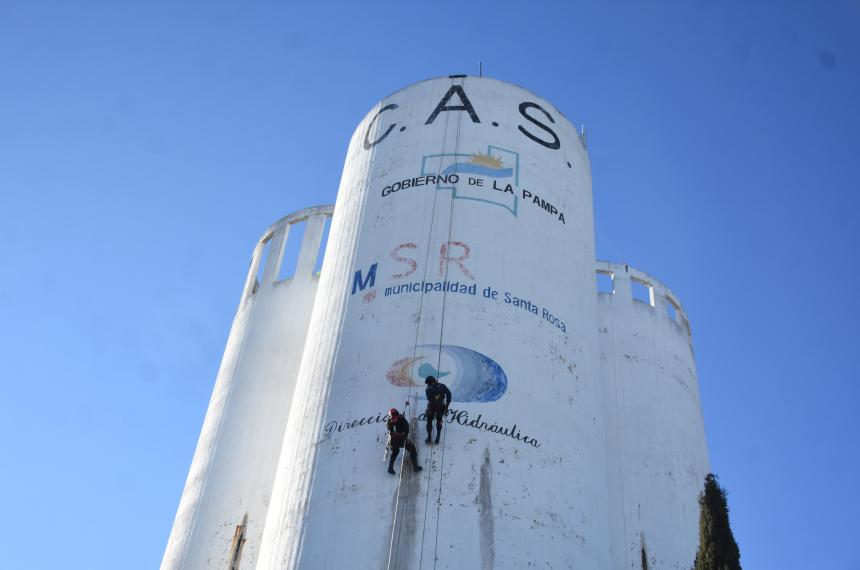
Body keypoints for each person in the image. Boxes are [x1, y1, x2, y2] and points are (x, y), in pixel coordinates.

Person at [386, 408, 422, 475]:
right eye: (392, 418)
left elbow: (407, 429)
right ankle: (390, 468)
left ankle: (415, 467)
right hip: (397, 440)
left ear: (397, 415)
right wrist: (397, 434)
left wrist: (401, 433)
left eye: (394, 418)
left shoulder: (399, 420)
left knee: (410, 449)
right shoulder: (391, 421)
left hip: (398, 439)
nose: (393, 420)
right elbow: (391, 431)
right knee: (398, 451)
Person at [424, 376, 452, 444]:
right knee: (436, 421)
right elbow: (449, 395)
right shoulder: (442, 386)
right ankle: (434, 437)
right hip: (440, 406)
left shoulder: (428, 389)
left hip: (433, 406)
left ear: (431, 382)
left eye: (428, 384)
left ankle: (432, 437)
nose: (428, 385)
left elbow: (428, 397)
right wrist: (447, 406)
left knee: (431, 421)